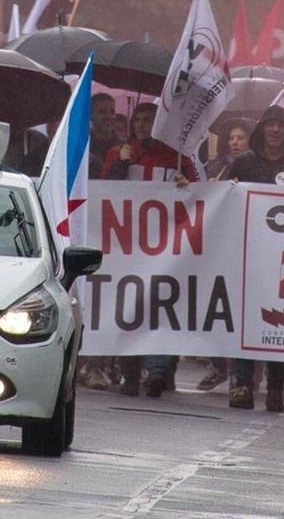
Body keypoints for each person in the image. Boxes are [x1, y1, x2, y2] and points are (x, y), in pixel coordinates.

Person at [227, 105, 284, 412]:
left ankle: (276, 388)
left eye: (281, 125)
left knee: (279, 323)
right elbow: (224, 199)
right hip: (248, 254)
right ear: (262, 129)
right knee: (246, 319)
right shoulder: (244, 163)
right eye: (270, 125)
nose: (275, 130)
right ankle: (242, 384)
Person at [101, 102, 195, 397]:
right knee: (130, 308)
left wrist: (186, 183)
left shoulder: (177, 158)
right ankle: (130, 374)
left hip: (165, 248)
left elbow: (198, 196)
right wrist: (121, 164)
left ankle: (157, 372)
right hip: (127, 246)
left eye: (149, 120)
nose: (143, 125)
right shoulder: (120, 153)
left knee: (160, 307)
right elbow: (104, 191)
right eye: (138, 120)